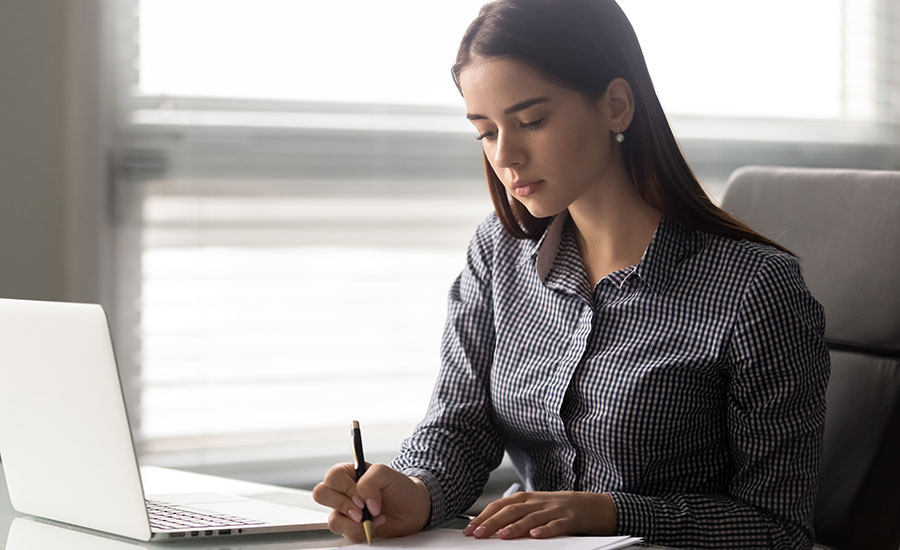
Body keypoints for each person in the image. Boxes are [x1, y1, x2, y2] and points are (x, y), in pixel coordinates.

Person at [312, 0, 830, 548]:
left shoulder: (755, 288)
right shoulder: (498, 252)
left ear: (615, 105)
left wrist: (612, 513)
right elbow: (459, 426)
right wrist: (414, 490)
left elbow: (779, 528)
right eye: (485, 132)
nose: (505, 155)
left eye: (531, 120)